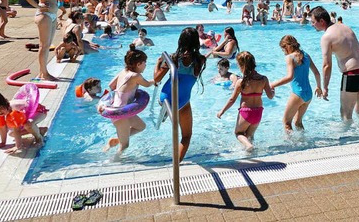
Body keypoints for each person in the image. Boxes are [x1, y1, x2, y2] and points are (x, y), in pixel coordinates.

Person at [153, 27, 206, 161]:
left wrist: (157, 64)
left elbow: (156, 79)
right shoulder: (201, 60)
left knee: (170, 104)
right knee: (186, 136)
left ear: (180, 41)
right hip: (181, 102)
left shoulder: (173, 59)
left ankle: (166, 112)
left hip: (165, 98)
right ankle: (175, 164)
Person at [310, 6, 359, 120]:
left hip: (352, 74)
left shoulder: (326, 37)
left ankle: (348, 137)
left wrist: (325, 87)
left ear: (321, 21)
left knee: (345, 113)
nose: (312, 25)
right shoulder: (344, 26)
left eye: (313, 22)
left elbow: (326, 65)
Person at [101, 45, 158, 158]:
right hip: (120, 114)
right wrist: (155, 81)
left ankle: (115, 140)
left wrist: (126, 92)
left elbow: (111, 85)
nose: (145, 65)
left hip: (121, 110)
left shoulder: (124, 71)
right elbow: (147, 84)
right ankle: (113, 162)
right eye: (144, 62)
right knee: (125, 145)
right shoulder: (136, 75)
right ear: (138, 64)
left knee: (141, 126)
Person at [217, 51, 274, 151]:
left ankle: (248, 147)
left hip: (246, 113)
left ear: (241, 66)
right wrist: (273, 90)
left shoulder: (241, 82)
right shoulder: (263, 79)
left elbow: (232, 100)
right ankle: (250, 154)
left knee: (238, 133)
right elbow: (270, 96)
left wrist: (222, 111)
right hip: (258, 113)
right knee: (249, 136)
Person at [270, 35, 322, 132]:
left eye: (283, 49)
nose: (284, 52)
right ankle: (303, 141)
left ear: (286, 46)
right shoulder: (306, 55)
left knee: (286, 122)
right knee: (298, 122)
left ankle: (291, 145)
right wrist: (319, 87)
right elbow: (317, 73)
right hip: (309, 94)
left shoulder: (290, 57)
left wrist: (273, 84)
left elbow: (289, 77)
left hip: (298, 94)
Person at [23, 0, 59, 81]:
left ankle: (42, 72)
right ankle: (44, 73)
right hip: (44, 16)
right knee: (44, 46)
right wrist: (37, 6)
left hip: (53, 15)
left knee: (47, 45)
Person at [0, 89, 47, 154]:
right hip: (25, 115)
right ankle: (40, 130)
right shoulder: (0, 113)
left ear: (4, 103)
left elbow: (17, 130)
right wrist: (3, 142)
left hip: (39, 111)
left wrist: (17, 146)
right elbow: (2, 127)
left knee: (28, 125)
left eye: (0, 108)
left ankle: (39, 139)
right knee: (11, 134)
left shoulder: (14, 109)